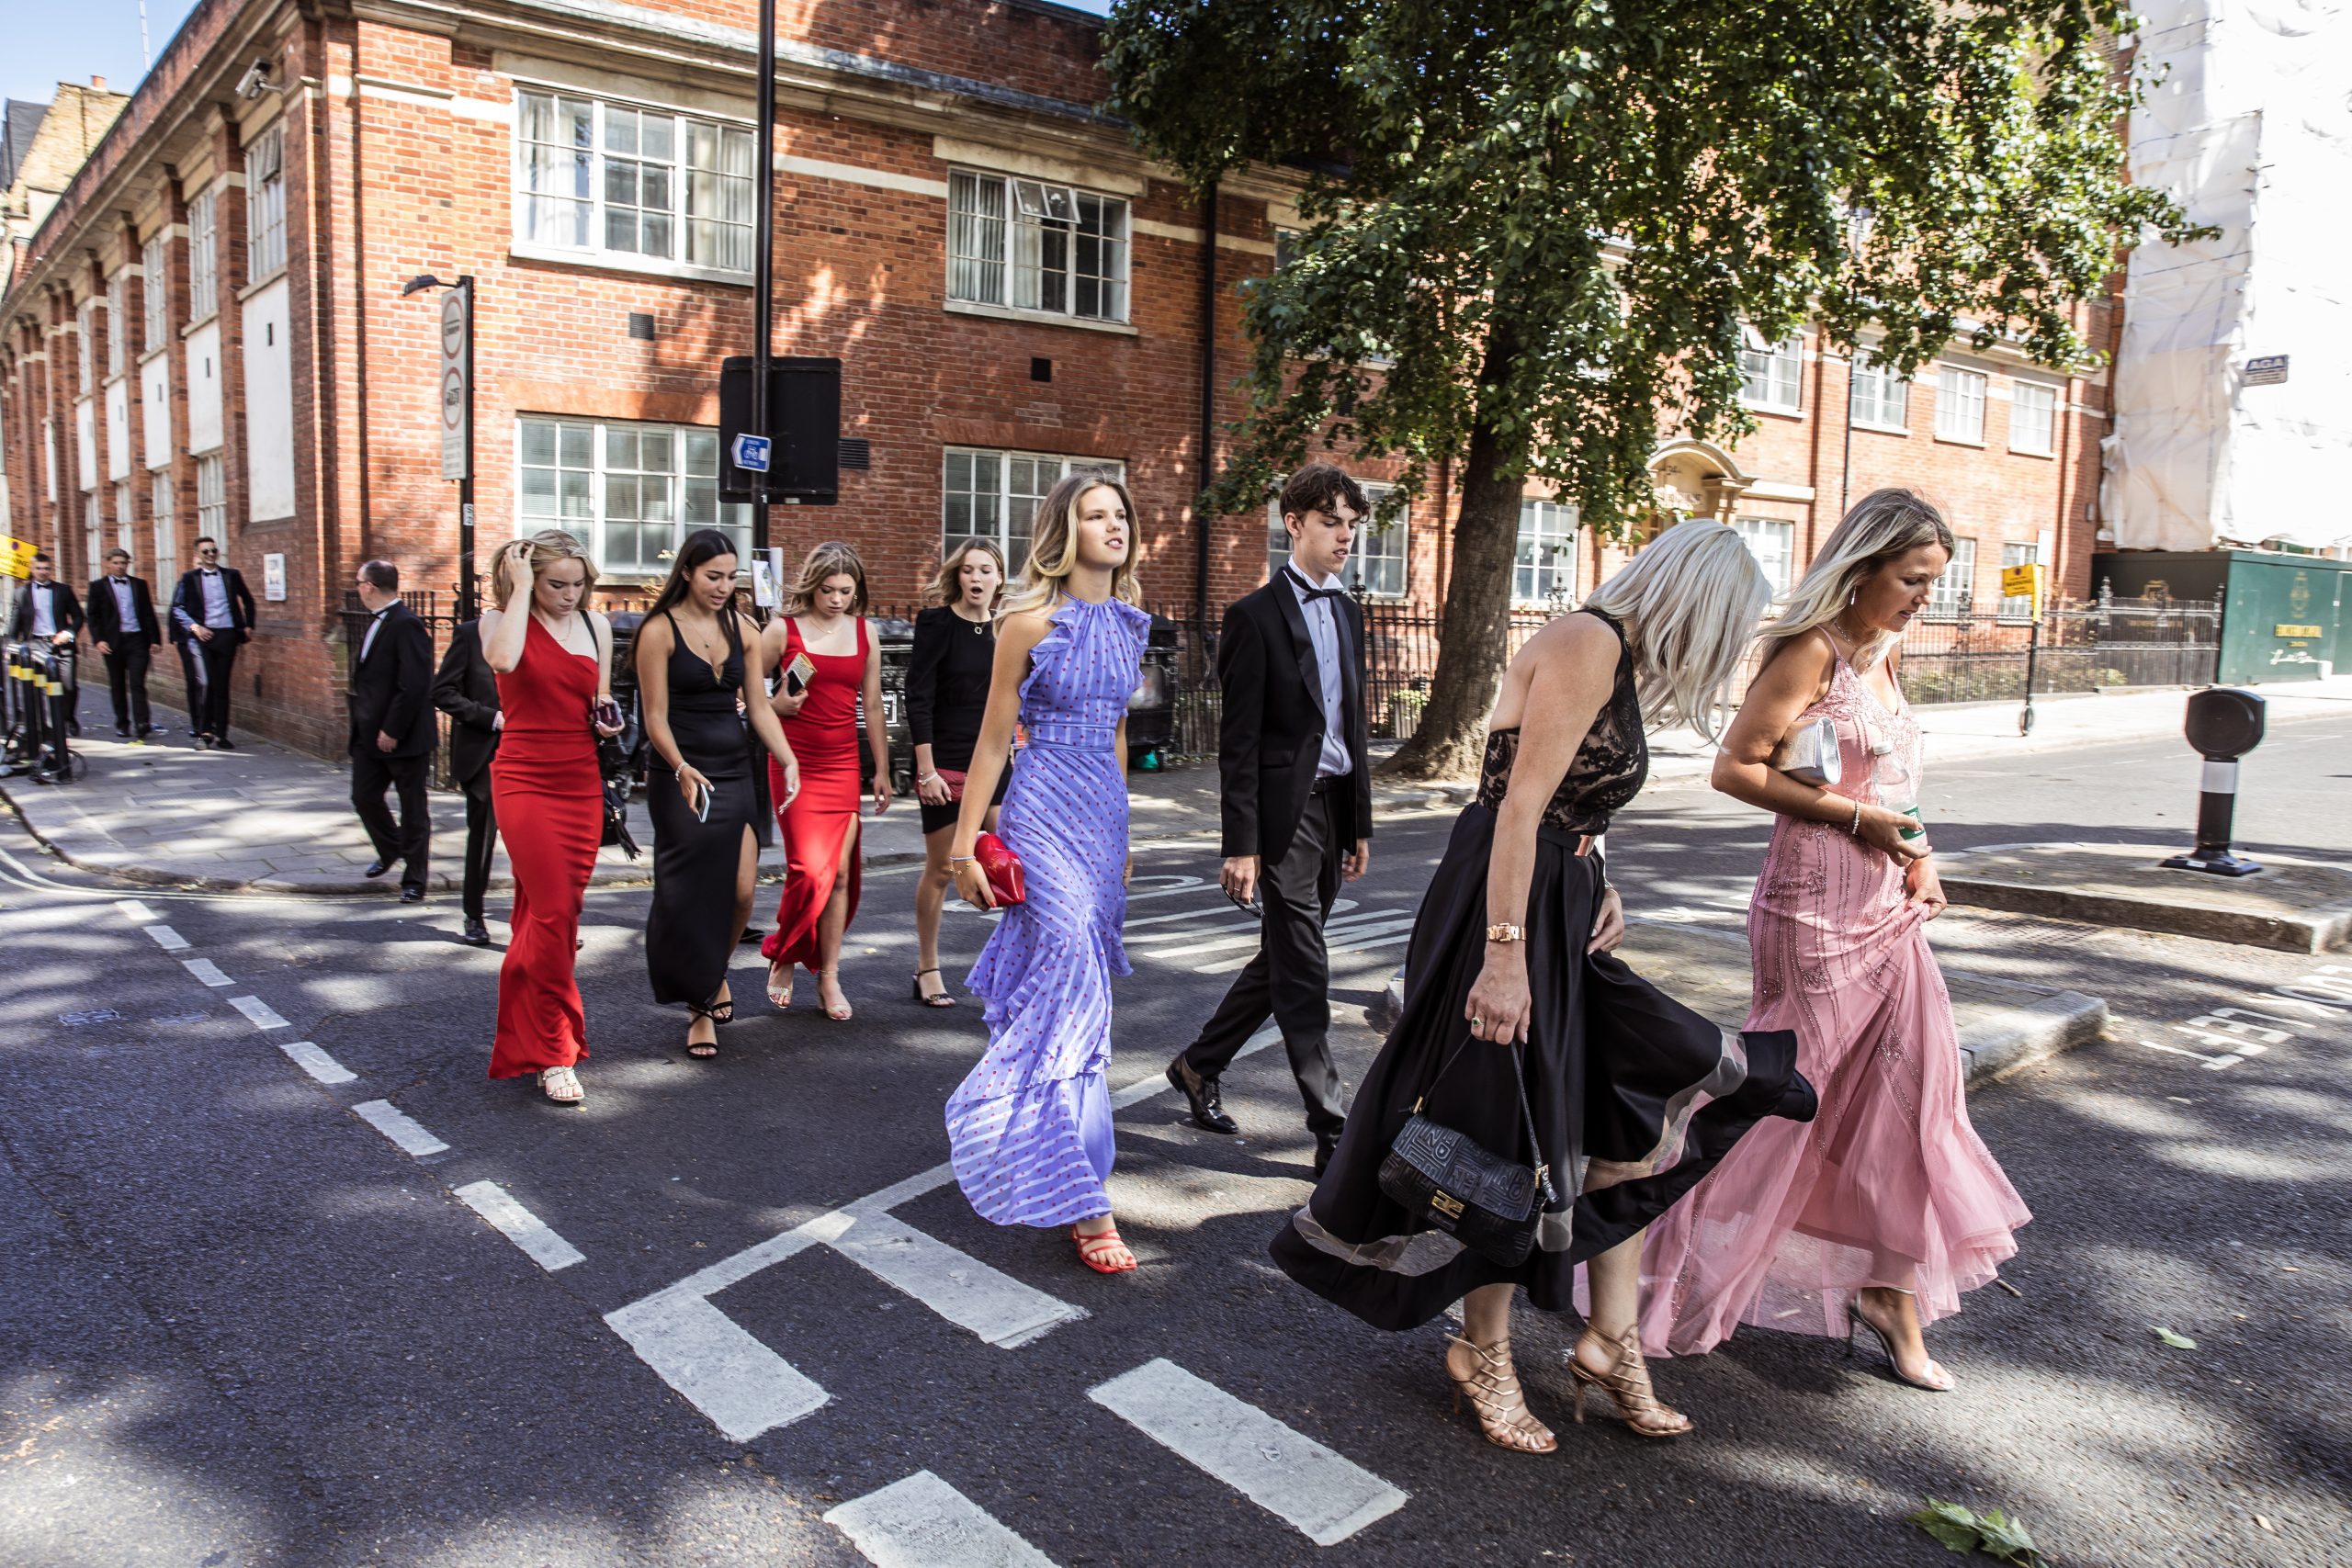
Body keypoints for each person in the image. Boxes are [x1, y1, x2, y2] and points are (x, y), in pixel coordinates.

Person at [1268, 519, 1820, 1452]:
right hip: (1503, 905)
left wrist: (1603, 884)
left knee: (1628, 1117)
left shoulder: (1620, 657)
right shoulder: (1586, 640)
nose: (1724, 652)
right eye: (1727, 626)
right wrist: (1504, 957)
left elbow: (1574, 808)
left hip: (1557, 904)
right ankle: (1482, 1354)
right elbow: (1515, 808)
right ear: (1694, 599)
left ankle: (1610, 1342)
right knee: (1494, 1134)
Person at [1634, 490, 2030, 1391]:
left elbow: (1896, 782)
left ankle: (1888, 1291)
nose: (1924, 598)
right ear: (1861, 568)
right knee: (1780, 1098)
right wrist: (1864, 821)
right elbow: (1736, 768)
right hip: (1811, 914)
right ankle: (1658, 1247)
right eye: (1911, 579)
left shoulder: (1885, 656)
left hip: (1889, 906)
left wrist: (1920, 851)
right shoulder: (1807, 649)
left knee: (1914, 1099)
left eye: (1933, 582)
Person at [946, 472, 1150, 1276]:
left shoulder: (1132, 624)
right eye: (1097, 514)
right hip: (1039, 809)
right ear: (1066, 530)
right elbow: (994, 739)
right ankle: (1088, 1193)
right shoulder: (1026, 624)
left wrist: (1126, 827)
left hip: (1101, 815)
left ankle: (1069, 1153)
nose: (1114, 525)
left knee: (1086, 986)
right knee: (1070, 974)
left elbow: (1120, 733)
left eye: (1121, 515)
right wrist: (965, 846)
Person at [1169, 463, 1373, 1174]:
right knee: (1306, 970)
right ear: (1294, 523)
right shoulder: (1253, 616)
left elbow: (1354, 723)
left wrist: (1362, 824)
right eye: (1330, 521)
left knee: (1285, 957)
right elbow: (1240, 743)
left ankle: (1199, 1063)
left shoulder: (1349, 610)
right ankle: (1332, 1125)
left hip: (1333, 811)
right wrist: (1242, 844)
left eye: (1351, 524)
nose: (1344, 535)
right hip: (1283, 821)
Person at [636, 529, 802, 1060]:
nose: (723, 587)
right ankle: (700, 1005)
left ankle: (714, 970)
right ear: (687, 572)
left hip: (733, 773)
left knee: (740, 892)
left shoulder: (744, 630)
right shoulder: (658, 630)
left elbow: (758, 707)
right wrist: (680, 766)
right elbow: (654, 717)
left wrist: (787, 757)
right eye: (713, 576)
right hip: (678, 774)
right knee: (691, 894)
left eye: (731, 577)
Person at [481, 531, 620, 1107]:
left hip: (579, 779)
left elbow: (601, 700)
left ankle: (520, 989)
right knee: (556, 913)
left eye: (579, 583)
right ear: (529, 579)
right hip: (523, 779)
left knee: (548, 917)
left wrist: (608, 719)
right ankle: (556, 1052)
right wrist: (516, 593)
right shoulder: (499, 621)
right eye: (555, 584)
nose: (570, 594)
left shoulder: (597, 627)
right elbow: (504, 660)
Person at [759, 541, 891, 1021]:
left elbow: (872, 705)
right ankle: (786, 951)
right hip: (793, 760)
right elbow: (743, 689)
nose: (836, 599)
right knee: (806, 869)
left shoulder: (865, 632)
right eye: (827, 590)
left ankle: (829, 974)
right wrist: (773, 705)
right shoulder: (782, 630)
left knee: (838, 876)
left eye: (845, 591)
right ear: (811, 586)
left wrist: (880, 768)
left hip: (842, 764)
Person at [907, 537, 1010, 1007]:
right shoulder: (936, 624)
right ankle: (927, 967)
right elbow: (918, 696)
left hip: (997, 761)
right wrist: (925, 769)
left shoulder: (1009, 628)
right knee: (945, 868)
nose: (976, 579)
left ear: (1000, 578)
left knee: (1007, 865)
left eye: (986, 570)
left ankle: (1012, 969)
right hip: (945, 760)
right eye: (969, 570)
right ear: (958, 576)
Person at [347, 559, 436, 903]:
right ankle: (391, 848)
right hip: (368, 735)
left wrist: (392, 728)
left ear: (369, 585)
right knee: (364, 797)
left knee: (413, 809)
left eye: (359, 583)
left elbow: (414, 684)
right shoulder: (377, 622)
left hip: (403, 736)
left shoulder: (407, 624)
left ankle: (415, 880)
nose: (357, 589)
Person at [432, 615, 503, 947]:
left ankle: (547, 924)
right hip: (486, 755)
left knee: (537, 843)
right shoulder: (471, 634)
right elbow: (442, 691)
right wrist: (490, 717)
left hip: (535, 753)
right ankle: (474, 914)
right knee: (483, 839)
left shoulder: (545, 631)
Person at [169, 537, 256, 749]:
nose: (210, 554)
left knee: (222, 685)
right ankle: (204, 731)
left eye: (213, 550)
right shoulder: (189, 578)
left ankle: (222, 733)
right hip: (201, 637)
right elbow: (178, 608)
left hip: (226, 635)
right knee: (205, 683)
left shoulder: (231, 575)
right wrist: (195, 627)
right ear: (198, 555)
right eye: (205, 551)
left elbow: (248, 599)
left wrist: (248, 624)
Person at [85, 548, 164, 740]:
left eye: (123, 563)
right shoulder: (97, 587)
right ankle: (122, 723)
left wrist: (155, 639)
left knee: (138, 682)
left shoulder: (139, 585)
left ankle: (142, 723)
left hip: (137, 639)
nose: (120, 566)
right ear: (108, 564)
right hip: (113, 641)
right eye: (116, 563)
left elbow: (148, 613)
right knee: (117, 683)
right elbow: (93, 617)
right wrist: (99, 640)